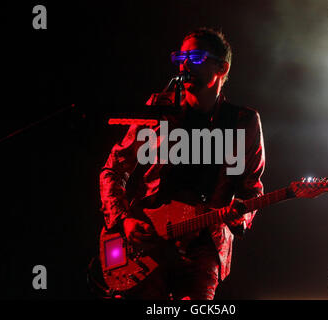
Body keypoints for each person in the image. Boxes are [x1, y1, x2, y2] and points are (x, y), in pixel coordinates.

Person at [99, 27, 265, 300]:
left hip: (204, 245)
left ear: (221, 67)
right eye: (180, 58)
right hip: (149, 236)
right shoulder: (160, 110)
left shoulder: (243, 121)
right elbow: (114, 168)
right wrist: (123, 218)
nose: (185, 64)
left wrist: (241, 216)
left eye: (196, 57)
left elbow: (252, 188)